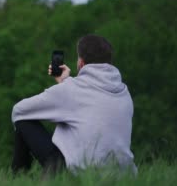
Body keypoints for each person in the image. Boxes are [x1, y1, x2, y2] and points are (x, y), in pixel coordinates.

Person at [11, 34, 137, 176]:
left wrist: (65, 86)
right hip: (122, 175)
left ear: (81, 63)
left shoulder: (71, 89)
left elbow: (19, 110)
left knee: (22, 119)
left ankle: (19, 179)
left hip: (80, 174)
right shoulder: (124, 93)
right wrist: (65, 83)